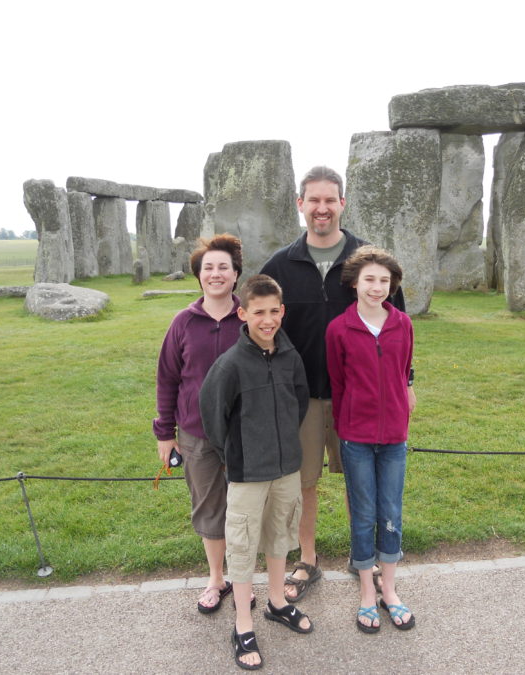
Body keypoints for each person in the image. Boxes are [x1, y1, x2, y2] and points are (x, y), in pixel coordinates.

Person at [260, 166, 415, 601]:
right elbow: (263, 324)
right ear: (300, 205)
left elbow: (397, 325)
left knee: (360, 482)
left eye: (330, 200)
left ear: (342, 203)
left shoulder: (367, 260)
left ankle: (361, 557)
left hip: (362, 396)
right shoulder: (280, 265)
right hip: (303, 395)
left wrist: (408, 381)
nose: (322, 208)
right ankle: (308, 560)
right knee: (303, 483)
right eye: (314, 200)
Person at [200, 274, 313, 670]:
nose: (267, 320)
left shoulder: (290, 356)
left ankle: (277, 601)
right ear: (242, 313)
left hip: (286, 468)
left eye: (273, 311)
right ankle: (243, 623)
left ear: (282, 311)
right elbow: (214, 418)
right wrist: (236, 455)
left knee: (281, 533)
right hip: (247, 471)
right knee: (244, 544)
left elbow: (299, 404)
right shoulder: (230, 365)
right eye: (258, 312)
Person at [152, 233, 244, 615]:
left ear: (236, 274)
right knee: (208, 507)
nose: (216, 274)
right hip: (196, 432)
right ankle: (216, 578)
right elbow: (167, 378)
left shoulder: (250, 317)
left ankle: (242, 580)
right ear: (199, 276)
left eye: (224, 267)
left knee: (242, 509)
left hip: (243, 432)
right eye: (209, 268)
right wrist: (165, 433)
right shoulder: (184, 322)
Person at [326, 246, 416, 633]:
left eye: (384, 281)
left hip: (394, 435)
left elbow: (403, 371)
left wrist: (401, 410)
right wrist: (347, 427)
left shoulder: (403, 324)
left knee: (391, 513)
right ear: (354, 284)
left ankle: (390, 591)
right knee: (363, 516)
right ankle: (366, 592)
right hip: (356, 438)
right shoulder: (338, 329)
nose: (377, 288)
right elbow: (338, 382)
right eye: (370, 280)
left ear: (392, 285)